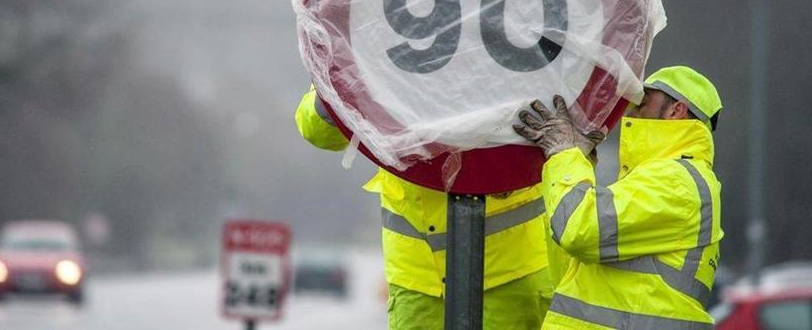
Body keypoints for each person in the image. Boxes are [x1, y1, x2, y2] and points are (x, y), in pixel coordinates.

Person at [295, 86, 553, 330]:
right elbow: (319, 132)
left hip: (512, 271)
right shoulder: (367, 44)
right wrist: (335, 88)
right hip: (417, 279)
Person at [513, 65, 723, 329]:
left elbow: (578, 230)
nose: (630, 113)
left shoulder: (677, 181)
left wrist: (565, 154)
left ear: (675, 110)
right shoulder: (661, 177)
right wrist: (580, 161)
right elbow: (570, 269)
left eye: (643, 103)